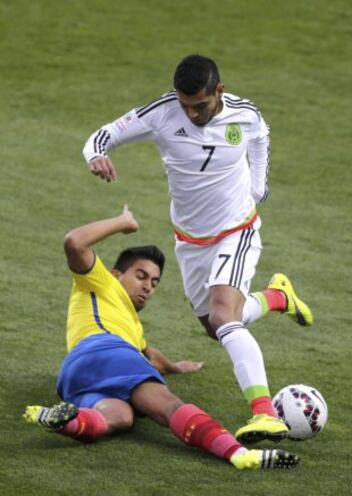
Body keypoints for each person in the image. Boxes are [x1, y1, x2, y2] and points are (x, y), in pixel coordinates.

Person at [82, 54, 313, 444]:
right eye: (184, 105)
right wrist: (96, 155)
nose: (190, 114)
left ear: (218, 92)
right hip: (190, 241)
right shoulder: (162, 112)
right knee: (215, 327)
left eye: (200, 106)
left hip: (235, 229)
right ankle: (277, 297)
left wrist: (259, 185)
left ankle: (265, 414)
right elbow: (104, 134)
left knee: (225, 316)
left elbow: (261, 136)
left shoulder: (244, 114)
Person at [23, 205, 299, 470]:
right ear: (116, 274)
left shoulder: (130, 324)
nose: (147, 286)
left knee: (120, 417)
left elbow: (147, 355)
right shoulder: (100, 281)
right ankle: (238, 453)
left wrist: (176, 366)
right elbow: (74, 243)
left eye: (154, 283)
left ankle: (65, 421)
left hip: (75, 374)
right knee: (168, 407)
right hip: (108, 350)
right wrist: (123, 222)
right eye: (141, 276)